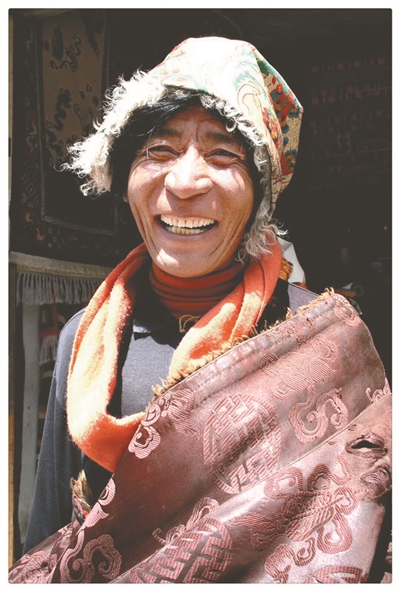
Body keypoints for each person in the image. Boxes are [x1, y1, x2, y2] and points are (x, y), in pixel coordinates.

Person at [10, 36, 391, 584]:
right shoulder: (86, 340)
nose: (185, 183)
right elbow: (49, 544)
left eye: (223, 155)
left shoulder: (324, 341)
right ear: (125, 178)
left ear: (260, 193)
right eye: (158, 151)